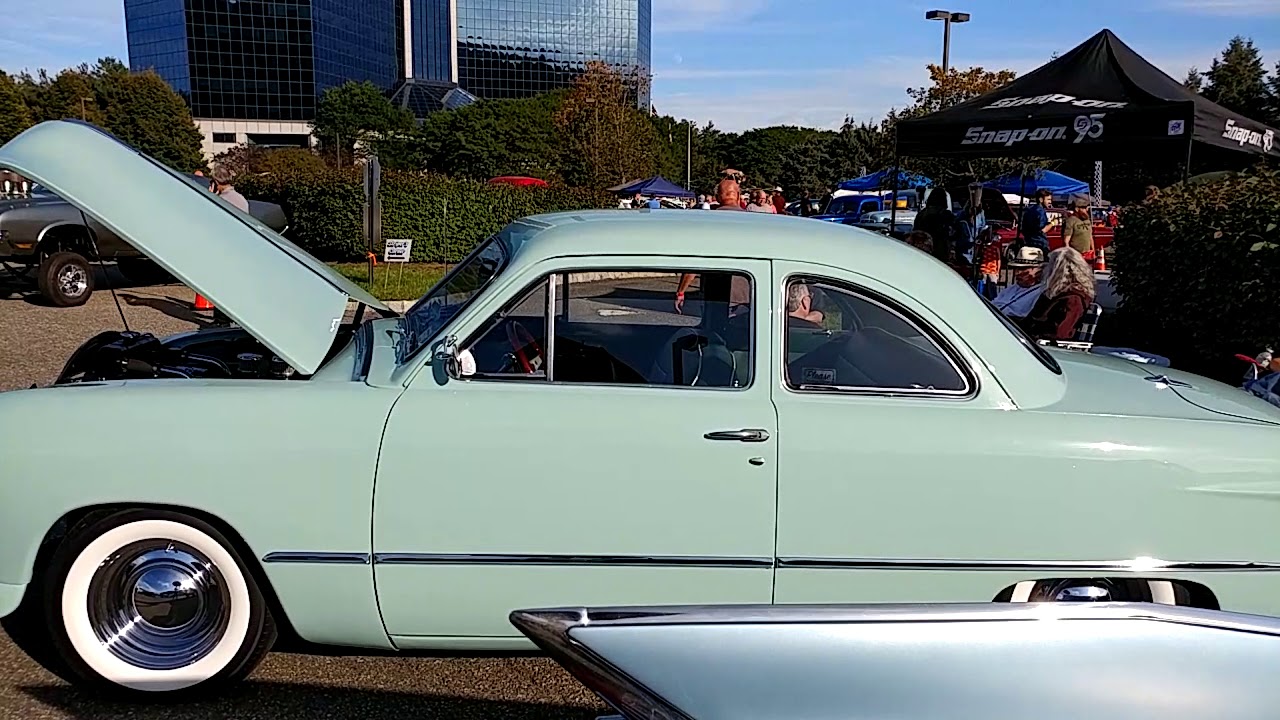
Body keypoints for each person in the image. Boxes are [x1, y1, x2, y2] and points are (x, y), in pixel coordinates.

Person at [1018, 247, 1095, 341]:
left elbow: (1060, 333)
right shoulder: (1052, 294)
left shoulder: (1073, 299)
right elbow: (1029, 321)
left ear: (1056, 270)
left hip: (1038, 345)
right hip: (1026, 337)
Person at [991, 247, 1047, 319]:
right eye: (1016, 268)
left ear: (1037, 270)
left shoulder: (1041, 293)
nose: (1017, 273)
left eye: (1023, 269)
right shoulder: (1011, 289)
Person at [912, 188, 958, 264]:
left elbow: (915, 230)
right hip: (940, 249)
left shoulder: (921, 214)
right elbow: (954, 233)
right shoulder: (946, 215)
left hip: (922, 249)